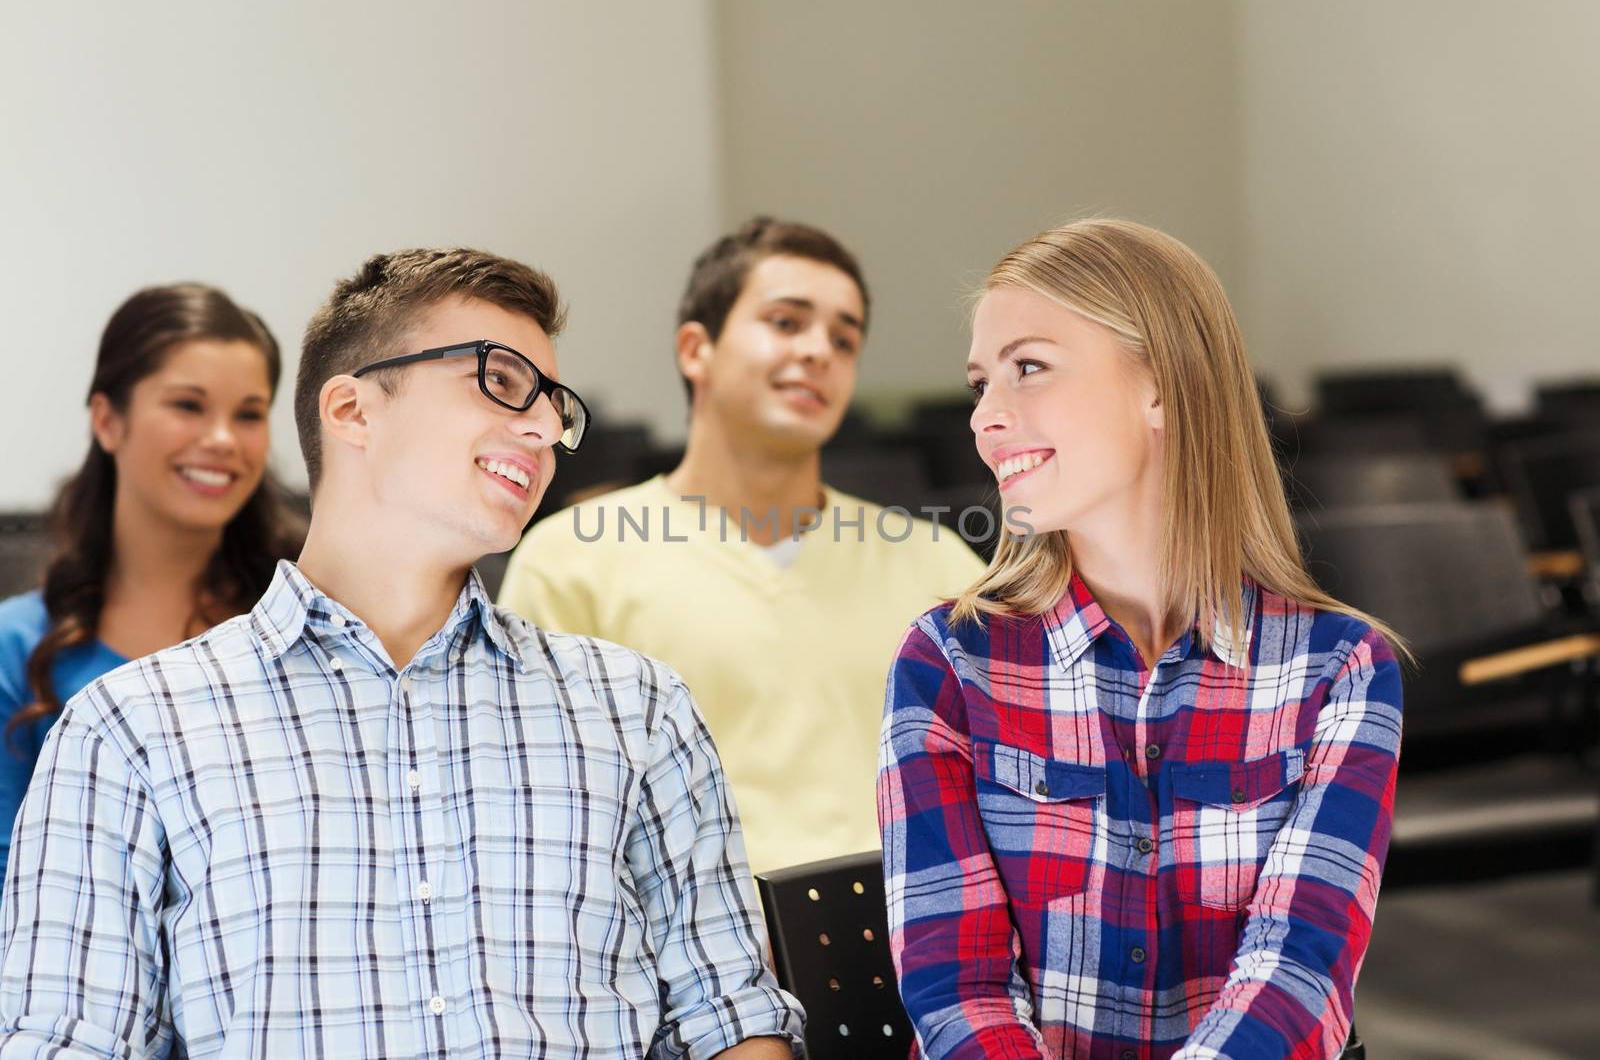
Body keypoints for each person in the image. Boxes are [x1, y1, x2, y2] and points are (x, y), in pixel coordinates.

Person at [0, 248, 801, 1059]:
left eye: (557, 405)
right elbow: (66, 1040)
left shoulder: (639, 707)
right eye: (501, 380)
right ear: (350, 410)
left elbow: (730, 1019)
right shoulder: (128, 729)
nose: (545, 427)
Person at [878, 220, 1405, 1060]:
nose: (986, 417)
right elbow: (958, 989)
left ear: (1161, 385)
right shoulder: (949, 662)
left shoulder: (1340, 668)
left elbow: (1297, 975)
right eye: (981, 382)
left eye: (1028, 367)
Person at [499, 217, 983, 876]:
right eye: (787, 322)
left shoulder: (939, 562)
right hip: (691, 963)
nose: (820, 350)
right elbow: (547, 823)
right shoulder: (572, 561)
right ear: (696, 348)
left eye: (845, 338)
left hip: (917, 954)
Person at [0, 283, 299, 884]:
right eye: (189, 405)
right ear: (108, 421)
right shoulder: (16, 646)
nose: (222, 439)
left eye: (248, 414)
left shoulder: (301, 627)